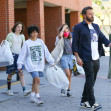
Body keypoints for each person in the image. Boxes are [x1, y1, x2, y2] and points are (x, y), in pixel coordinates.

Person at [72, 6, 111, 111]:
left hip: (96, 57)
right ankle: (92, 102)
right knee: (90, 78)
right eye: (90, 14)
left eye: (92, 14)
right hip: (85, 57)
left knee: (91, 80)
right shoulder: (78, 27)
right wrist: (77, 57)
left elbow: (101, 37)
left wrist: (109, 43)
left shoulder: (96, 26)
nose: (92, 15)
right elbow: (74, 43)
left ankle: (84, 101)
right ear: (84, 15)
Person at [17, 25, 55, 105]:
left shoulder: (40, 42)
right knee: (37, 79)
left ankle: (32, 96)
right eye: (32, 32)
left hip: (39, 64)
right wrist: (19, 65)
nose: (34, 34)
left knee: (35, 80)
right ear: (30, 34)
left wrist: (51, 61)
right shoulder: (27, 43)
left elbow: (46, 52)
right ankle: (37, 97)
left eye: (36, 32)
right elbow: (22, 55)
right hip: (31, 65)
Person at [6, 22, 31, 96]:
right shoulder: (10, 35)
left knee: (21, 73)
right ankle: (9, 89)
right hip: (12, 56)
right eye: (18, 27)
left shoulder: (22, 36)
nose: (19, 28)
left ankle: (24, 90)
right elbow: (7, 47)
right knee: (10, 74)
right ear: (15, 27)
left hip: (19, 57)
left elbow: (23, 47)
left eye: (21, 27)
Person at [55, 24, 73, 97]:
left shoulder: (70, 38)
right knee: (67, 74)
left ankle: (68, 90)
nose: (66, 32)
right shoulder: (59, 38)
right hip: (63, 57)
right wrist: (62, 31)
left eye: (67, 30)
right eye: (65, 30)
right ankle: (63, 87)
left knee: (70, 75)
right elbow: (59, 39)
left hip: (70, 57)